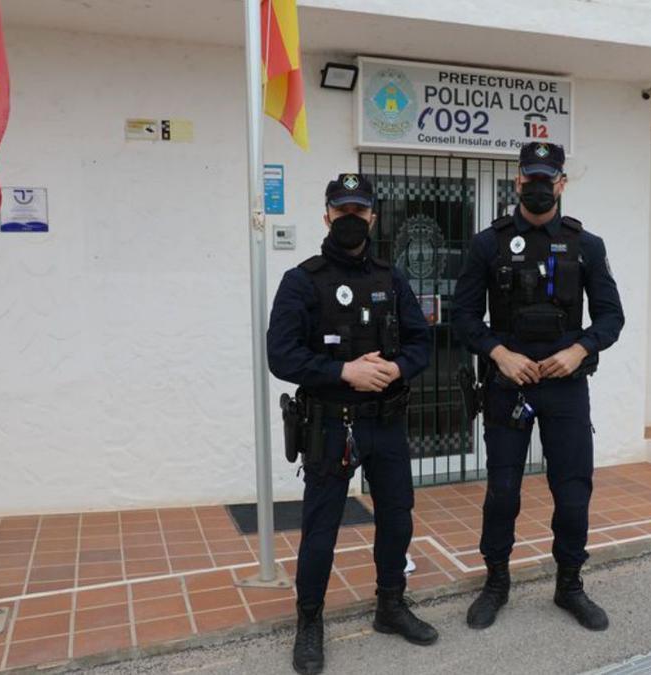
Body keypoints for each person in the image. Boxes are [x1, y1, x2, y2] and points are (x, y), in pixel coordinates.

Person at [267, 173, 439, 675]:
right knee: (321, 529)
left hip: (385, 423)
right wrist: (344, 371)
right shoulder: (302, 280)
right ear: (326, 216)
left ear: (372, 217)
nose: (349, 219)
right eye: (340, 211)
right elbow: (282, 356)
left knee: (397, 517)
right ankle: (309, 622)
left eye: (358, 211)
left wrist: (398, 368)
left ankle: (390, 606)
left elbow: (421, 343)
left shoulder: (392, 278)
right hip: (329, 424)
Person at [452, 142, 625, 632]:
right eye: (531, 177)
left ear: (563, 184)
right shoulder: (488, 243)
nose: (540, 185)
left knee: (572, 491)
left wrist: (580, 349)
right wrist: (499, 354)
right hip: (509, 385)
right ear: (518, 181)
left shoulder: (585, 244)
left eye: (549, 177)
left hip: (565, 385)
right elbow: (463, 315)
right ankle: (496, 583)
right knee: (503, 490)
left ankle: (569, 584)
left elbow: (612, 317)